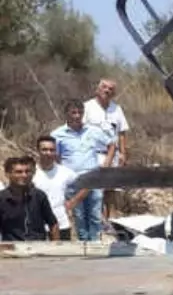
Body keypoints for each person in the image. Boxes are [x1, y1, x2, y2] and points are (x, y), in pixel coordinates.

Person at [52, 99, 114, 241]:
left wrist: (106, 165)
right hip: (74, 181)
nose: (77, 116)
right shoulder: (57, 134)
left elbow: (111, 144)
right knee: (79, 216)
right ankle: (84, 244)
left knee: (95, 214)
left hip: (93, 179)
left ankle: (96, 243)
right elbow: (56, 157)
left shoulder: (92, 131)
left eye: (80, 112)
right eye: (73, 112)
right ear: (66, 114)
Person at [83, 79, 130, 221]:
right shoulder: (87, 107)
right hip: (93, 154)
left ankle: (111, 220)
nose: (107, 90)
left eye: (110, 89)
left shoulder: (117, 109)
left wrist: (123, 153)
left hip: (113, 155)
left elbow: (122, 133)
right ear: (97, 89)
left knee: (111, 189)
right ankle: (97, 219)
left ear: (113, 93)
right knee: (96, 189)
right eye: (104, 87)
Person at [32, 135, 84, 240]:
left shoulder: (64, 172)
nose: (48, 153)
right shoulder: (30, 173)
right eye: (44, 150)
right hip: (36, 226)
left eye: (52, 150)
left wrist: (73, 201)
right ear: (38, 151)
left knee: (62, 256)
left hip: (61, 225)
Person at [0, 156, 59, 241]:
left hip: (39, 249)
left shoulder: (39, 196)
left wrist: (55, 248)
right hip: (12, 250)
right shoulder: (2, 199)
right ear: (7, 174)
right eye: (18, 172)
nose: (24, 175)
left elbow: (53, 224)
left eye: (27, 171)